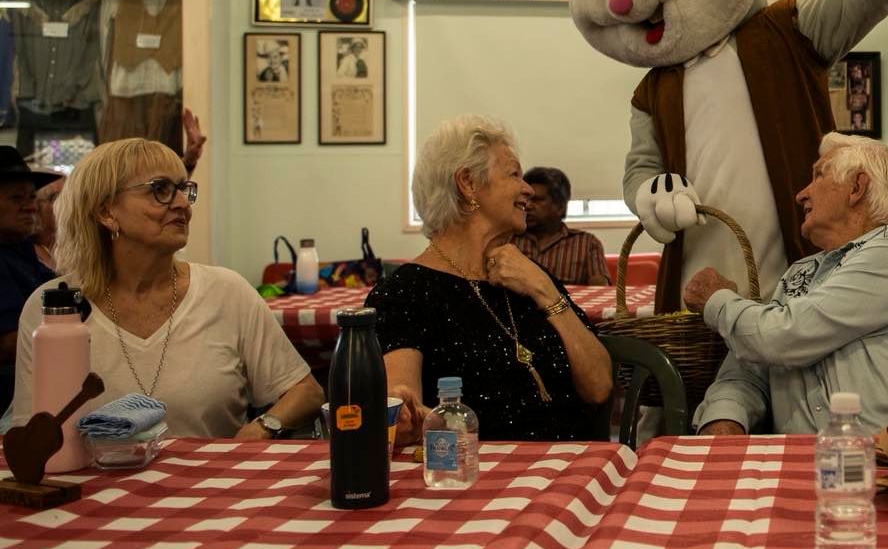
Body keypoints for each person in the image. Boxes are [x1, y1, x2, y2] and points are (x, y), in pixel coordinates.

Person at [12, 139, 323, 437]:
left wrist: (263, 427)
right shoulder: (53, 307)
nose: (181, 204)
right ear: (106, 212)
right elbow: (32, 429)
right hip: (94, 488)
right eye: (159, 190)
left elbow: (305, 391)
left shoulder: (226, 292)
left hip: (211, 486)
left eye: (183, 189)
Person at [685, 133, 888, 435]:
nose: (801, 194)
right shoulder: (798, 274)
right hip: (811, 464)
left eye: (818, 176)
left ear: (857, 187)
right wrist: (725, 418)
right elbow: (749, 367)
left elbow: (784, 336)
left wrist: (716, 299)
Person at [367, 116, 612, 443]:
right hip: (481, 477)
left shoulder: (530, 278)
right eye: (514, 174)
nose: (527, 188)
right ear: (468, 183)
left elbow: (599, 387)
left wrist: (543, 289)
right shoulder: (405, 292)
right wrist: (406, 411)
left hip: (573, 467)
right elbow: (401, 409)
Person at [0, 147, 60, 415]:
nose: (30, 205)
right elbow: (10, 344)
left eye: (32, 196)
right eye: (16, 197)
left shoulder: (24, 251)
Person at [515, 166, 609, 286]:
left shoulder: (586, 243)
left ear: (560, 207)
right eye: (526, 199)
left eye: (537, 200)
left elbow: (600, 291)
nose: (528, 206)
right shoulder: (508, 240)